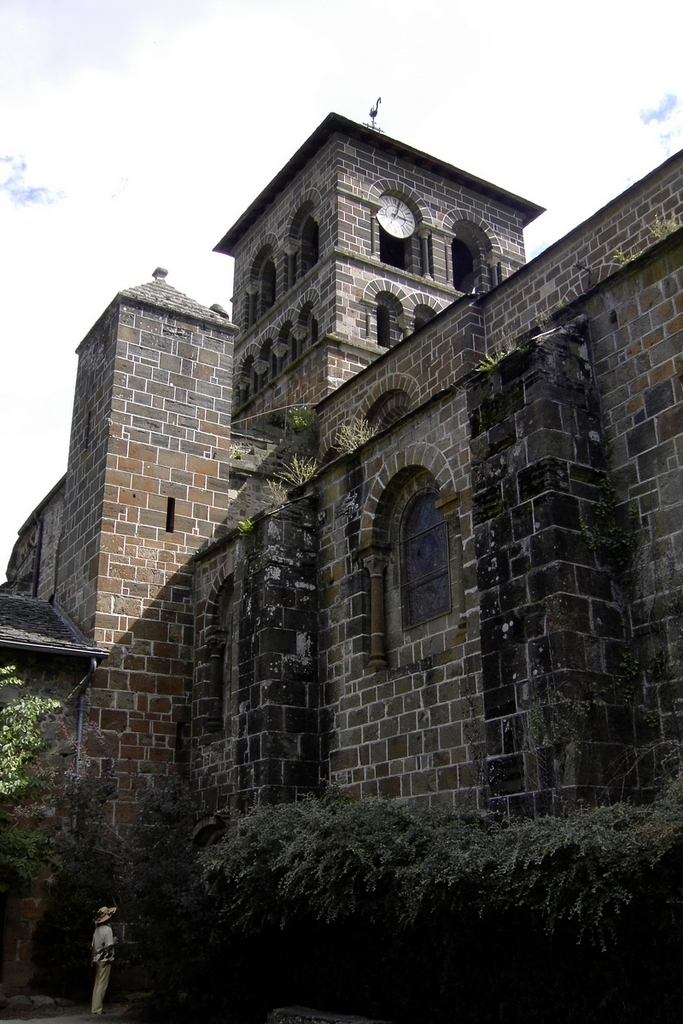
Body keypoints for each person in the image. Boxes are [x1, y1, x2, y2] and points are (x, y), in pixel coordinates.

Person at [91, 906, 117, 1015]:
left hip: (96, 958)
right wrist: (114, 942)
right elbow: (109, 946)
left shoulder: (97, 930)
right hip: (105, 958)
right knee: (102, 983)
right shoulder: (108, 929)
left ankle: (95, 1006)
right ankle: (97, 1008)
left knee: (97, 982)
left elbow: (92, 947)